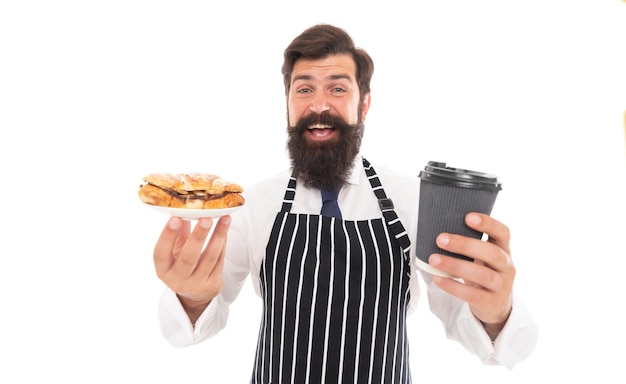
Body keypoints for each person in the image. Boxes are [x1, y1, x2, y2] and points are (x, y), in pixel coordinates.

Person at [152, 24, 538, 383]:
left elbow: (464, 318)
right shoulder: (257, 204)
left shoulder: (411, 199)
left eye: (337, 89)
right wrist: (192, 297)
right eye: (304, 90)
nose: (319, 105)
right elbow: (190, 326)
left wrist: (496, 313)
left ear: (364, 105)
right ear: (287, 103)